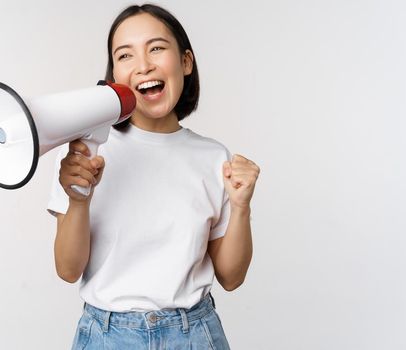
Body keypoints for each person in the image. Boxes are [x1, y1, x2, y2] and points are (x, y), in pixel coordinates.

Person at [47, 4, 259, 349]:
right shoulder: (86, 151)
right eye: (125, 55)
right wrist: (77, 199)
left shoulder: (213, 157)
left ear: (185, 62)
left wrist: (241, 207)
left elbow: (231, 277)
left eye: (156, 48)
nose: (143, 65)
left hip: (194, 334)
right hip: (106, 336)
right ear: (114, 75)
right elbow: (68, 270)